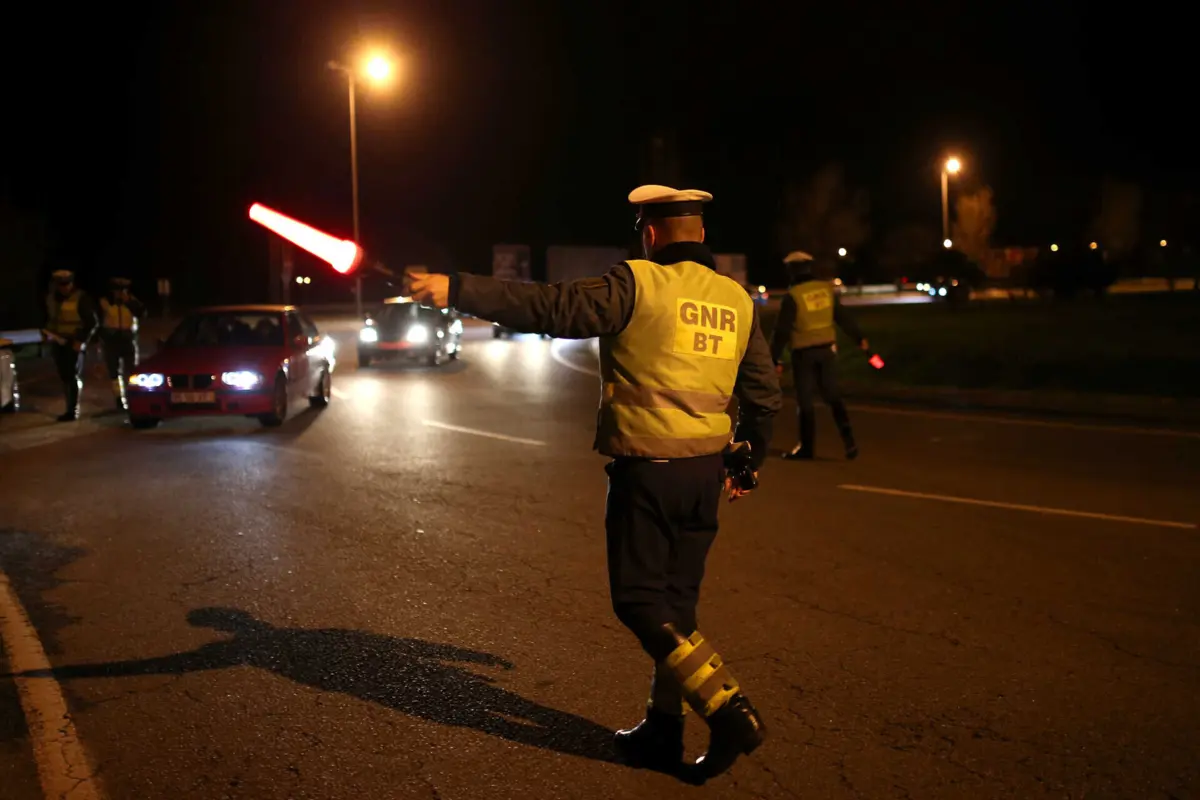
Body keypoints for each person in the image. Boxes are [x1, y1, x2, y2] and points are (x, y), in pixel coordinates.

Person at [407, 185, 782, 780]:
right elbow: (763, 395)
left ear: (650, 233)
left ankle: (727, 708)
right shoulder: (736, 299)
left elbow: (552, 308)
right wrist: (746, 462)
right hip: (704, 476)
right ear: (702, 235)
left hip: (648, 473)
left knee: (638, 603)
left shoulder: (638, 284)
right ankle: (663, 731)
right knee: (676, 612)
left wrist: (457, 289)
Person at [769, 251, 867, 460]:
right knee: (833, 396)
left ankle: (807, 447)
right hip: (827, 351)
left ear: (791, 270)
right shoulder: (825, 290)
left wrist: (773, 359)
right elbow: (842, 316)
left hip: (803, 354)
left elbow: (782, 332)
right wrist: (859, 338)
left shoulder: (793, 296)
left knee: (805, 401)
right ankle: (849, 442)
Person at [43, 270, 98, 422]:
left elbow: (92, 322)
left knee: (72, 375)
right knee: (64, 375)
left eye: (67, 284)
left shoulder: (81, 298)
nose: (64, 288)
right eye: (61, 284)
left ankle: (72, 410)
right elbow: (48, 318)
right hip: (57, 340)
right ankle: (69, 408)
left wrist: (81, 340)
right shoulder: (51, 298)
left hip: (73, 341)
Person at [98, 277, 145, 410]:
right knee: (114, 372)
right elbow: (98, 322)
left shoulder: (133, 302)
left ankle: (133, 397)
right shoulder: (104, 302)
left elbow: (143, 313)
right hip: (111, 340)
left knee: (131, 371)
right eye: (117, 290)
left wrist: (129, 302)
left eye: (123, 290)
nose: (120, 293)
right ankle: (119, 399)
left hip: (128, 339)